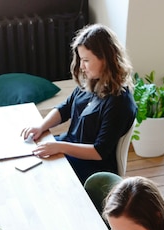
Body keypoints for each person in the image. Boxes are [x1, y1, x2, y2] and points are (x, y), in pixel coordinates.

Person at [21, 24, 136, 184]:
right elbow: (65, 108)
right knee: (30, 154)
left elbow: (99, 152)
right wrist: (41, 126)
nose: (81, 66)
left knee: (39, 171)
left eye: (86, 60)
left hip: (92, 166)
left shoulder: (119, 102)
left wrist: (60, 147)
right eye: (81, 60)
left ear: (105, 58)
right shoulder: (90, 83)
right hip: (71, 147)